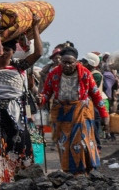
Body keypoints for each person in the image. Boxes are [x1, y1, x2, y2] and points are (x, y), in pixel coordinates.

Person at [0, 24, 44, 189]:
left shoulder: (19, 66)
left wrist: (36, 28)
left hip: (15, 112)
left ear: (12, 51)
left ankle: (20, 184)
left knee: (19, 145)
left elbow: (38, 53)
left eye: (6, 50)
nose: (3, 54)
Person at [40, 45, 109, 174]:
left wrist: (105, 115)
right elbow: (46, 93)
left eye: (70, 63)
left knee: (82, 142)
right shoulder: (54, 74)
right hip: (61, 114)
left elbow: (96, 95)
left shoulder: (85, 74)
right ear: (60, 61)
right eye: (64, 62)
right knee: (64, 144)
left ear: (76, 62)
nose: (66, 65)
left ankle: (84, 170)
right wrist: (41, 99)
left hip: (81, 112)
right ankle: (69, 171)